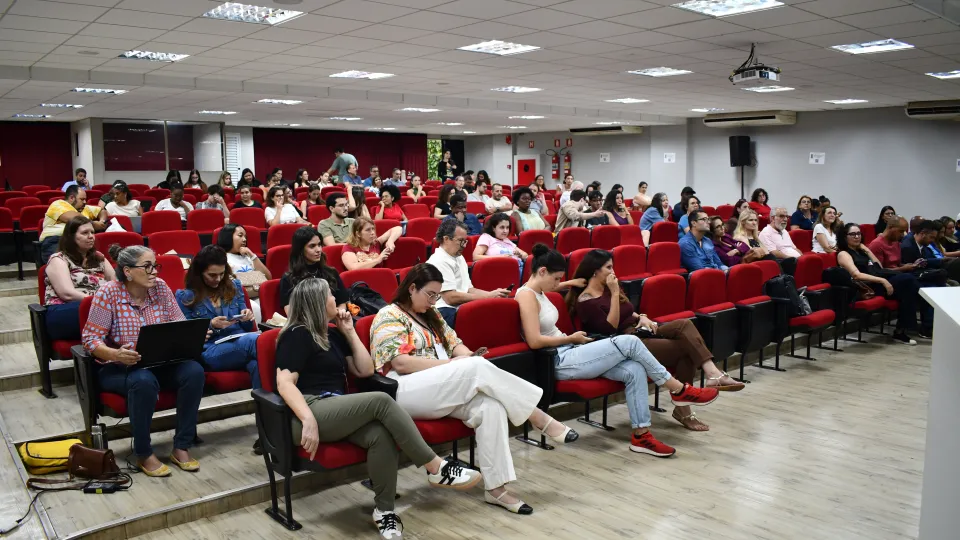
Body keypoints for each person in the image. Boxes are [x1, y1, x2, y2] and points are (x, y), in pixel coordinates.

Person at [277, 278, 481, 539]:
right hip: (307, 410)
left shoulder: (333, 333)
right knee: (380, 400)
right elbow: (284, 384)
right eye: (330, 295)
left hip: (335, 408)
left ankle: (384, 512)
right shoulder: (296, 335)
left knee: (380, 435)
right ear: (316, 301)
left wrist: (349, 331)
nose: (336, 299)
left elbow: (365, 370)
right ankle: (435, 466)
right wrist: (308, 419)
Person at [371, 263, 577, 516]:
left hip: (438, 386)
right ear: (412, 288)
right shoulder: (388, 315)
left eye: (438, 295)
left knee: (490, 406)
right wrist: (455, 364)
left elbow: (457, 345)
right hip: (403, 390)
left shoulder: (432, 316)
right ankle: (539, 417)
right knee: (475, 368)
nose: (434, 301)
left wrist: (467, 356)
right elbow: (400, 363)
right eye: (430, 295)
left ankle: (496, 489)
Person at [517, 244, 719, 457]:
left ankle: (641, 436)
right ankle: (678, 389)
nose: (558, 284)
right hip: (559, 359)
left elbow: (551, 290)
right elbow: (534, 340)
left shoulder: (540, 291)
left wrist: (569, 283)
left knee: (634, 369)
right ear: (541, 272)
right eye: (556, 278)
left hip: (571, 350)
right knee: (629, 342)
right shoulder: (526, 295)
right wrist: (571, 337)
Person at [568, 250, 743, 429]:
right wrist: (613, 294)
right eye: (608, 267)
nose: (613, 272)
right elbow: (610, 328)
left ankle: (712, 374)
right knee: (686, 349)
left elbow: (628, 310)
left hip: (639, 330)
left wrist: (641, 317)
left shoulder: (608, 287)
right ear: (594, 270)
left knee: (684, 324)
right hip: (625, 343)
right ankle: (686, 408)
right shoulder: (586, 300)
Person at [82, 244, 205, 476]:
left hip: (159, 361)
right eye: (147, 267)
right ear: (127, 271)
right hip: (119, 367)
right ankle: (143, 452)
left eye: (155, 266)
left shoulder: (160, 288)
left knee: (194, 371)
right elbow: (90, 339)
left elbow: (178, 323)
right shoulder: (108, 292)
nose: (155, 272)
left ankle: (181, 446)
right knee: (144, 381)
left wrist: (190, 335)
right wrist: (115, 354)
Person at [176, 246, 260, 390]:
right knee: (259, 342)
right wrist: (211, 326)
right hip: (210, 351)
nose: (218, 279)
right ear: (200, 273)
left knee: (259, 365)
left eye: (221, 274)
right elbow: (188, 337)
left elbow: (246, 328)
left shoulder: (234, 286)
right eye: (212, 275)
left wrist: (247, 319)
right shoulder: (186, 296)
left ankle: (266, 408)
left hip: (240, 341)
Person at [837, 223, 929, 343]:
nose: (856, 237)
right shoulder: (844, 254)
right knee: (908, 280)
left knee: (908, 290)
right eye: (852, 234)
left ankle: (903, 329)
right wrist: (883, 280)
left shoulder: (863, 251)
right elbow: (856, 275)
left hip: (879, 282)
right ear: (845, 237)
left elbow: (878, 268)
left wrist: (867, 250)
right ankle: (915, 321)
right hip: (868, 287)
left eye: (858, 233)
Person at [427, 220, 510, 327]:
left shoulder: (459, 258)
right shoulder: (438, 260)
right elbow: (450, 298)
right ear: (446, 239)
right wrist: (488, 297)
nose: (464, 245)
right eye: (461, 241)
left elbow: (469, 289)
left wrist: (493, 294)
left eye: (465, 241)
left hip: (460, 307)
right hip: (444, 311)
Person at [43, 216, 115, 340]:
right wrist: (100, 302)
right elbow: (67, 294)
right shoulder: (59, 259)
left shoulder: (99, 257)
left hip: (99, 308)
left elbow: (115, 283)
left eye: (92, 232)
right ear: (71, 237)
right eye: (85, 233)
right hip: (65, 310)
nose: (91, 236)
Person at [280, 227, 347, 315]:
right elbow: (291, 313)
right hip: (307, 325)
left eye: (319, 245)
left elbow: (342, 303)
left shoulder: (331, 272)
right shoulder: (289, 278)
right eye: (312, 246)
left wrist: (340, 313)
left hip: (334, 319)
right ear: (300, 249)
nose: (318, 250)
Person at [217, 224, 271, 321]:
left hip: (257, 293)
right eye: (240, 235)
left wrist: (252, 255)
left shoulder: (248, 257)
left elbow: (268, 278)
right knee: (254, 307)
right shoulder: (222, 258)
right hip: (237, 297)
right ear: (228, 237)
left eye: (245, 236)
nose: (244, 239)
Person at [39, 186, 105, 264]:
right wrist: (93, 224)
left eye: (85, 199)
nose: (85, 202)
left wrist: (102, 221)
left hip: (79, 240)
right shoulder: (58, 204)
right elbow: (74, 219)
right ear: (71, 198)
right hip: (56, 240)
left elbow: (102, 211)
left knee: (95, 262)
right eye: (82, 199)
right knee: (62, 264)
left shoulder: (84, 208)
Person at [758, 207, 799, 275]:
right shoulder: (766, 232)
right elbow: (774, 253)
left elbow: (794, 248)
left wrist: (801, 257)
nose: (785, 219)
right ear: (773, 218)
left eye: (786, 217)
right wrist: (793, 258)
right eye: (782, 216)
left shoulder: (784, 231)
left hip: (794, 260)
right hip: (783, 263)